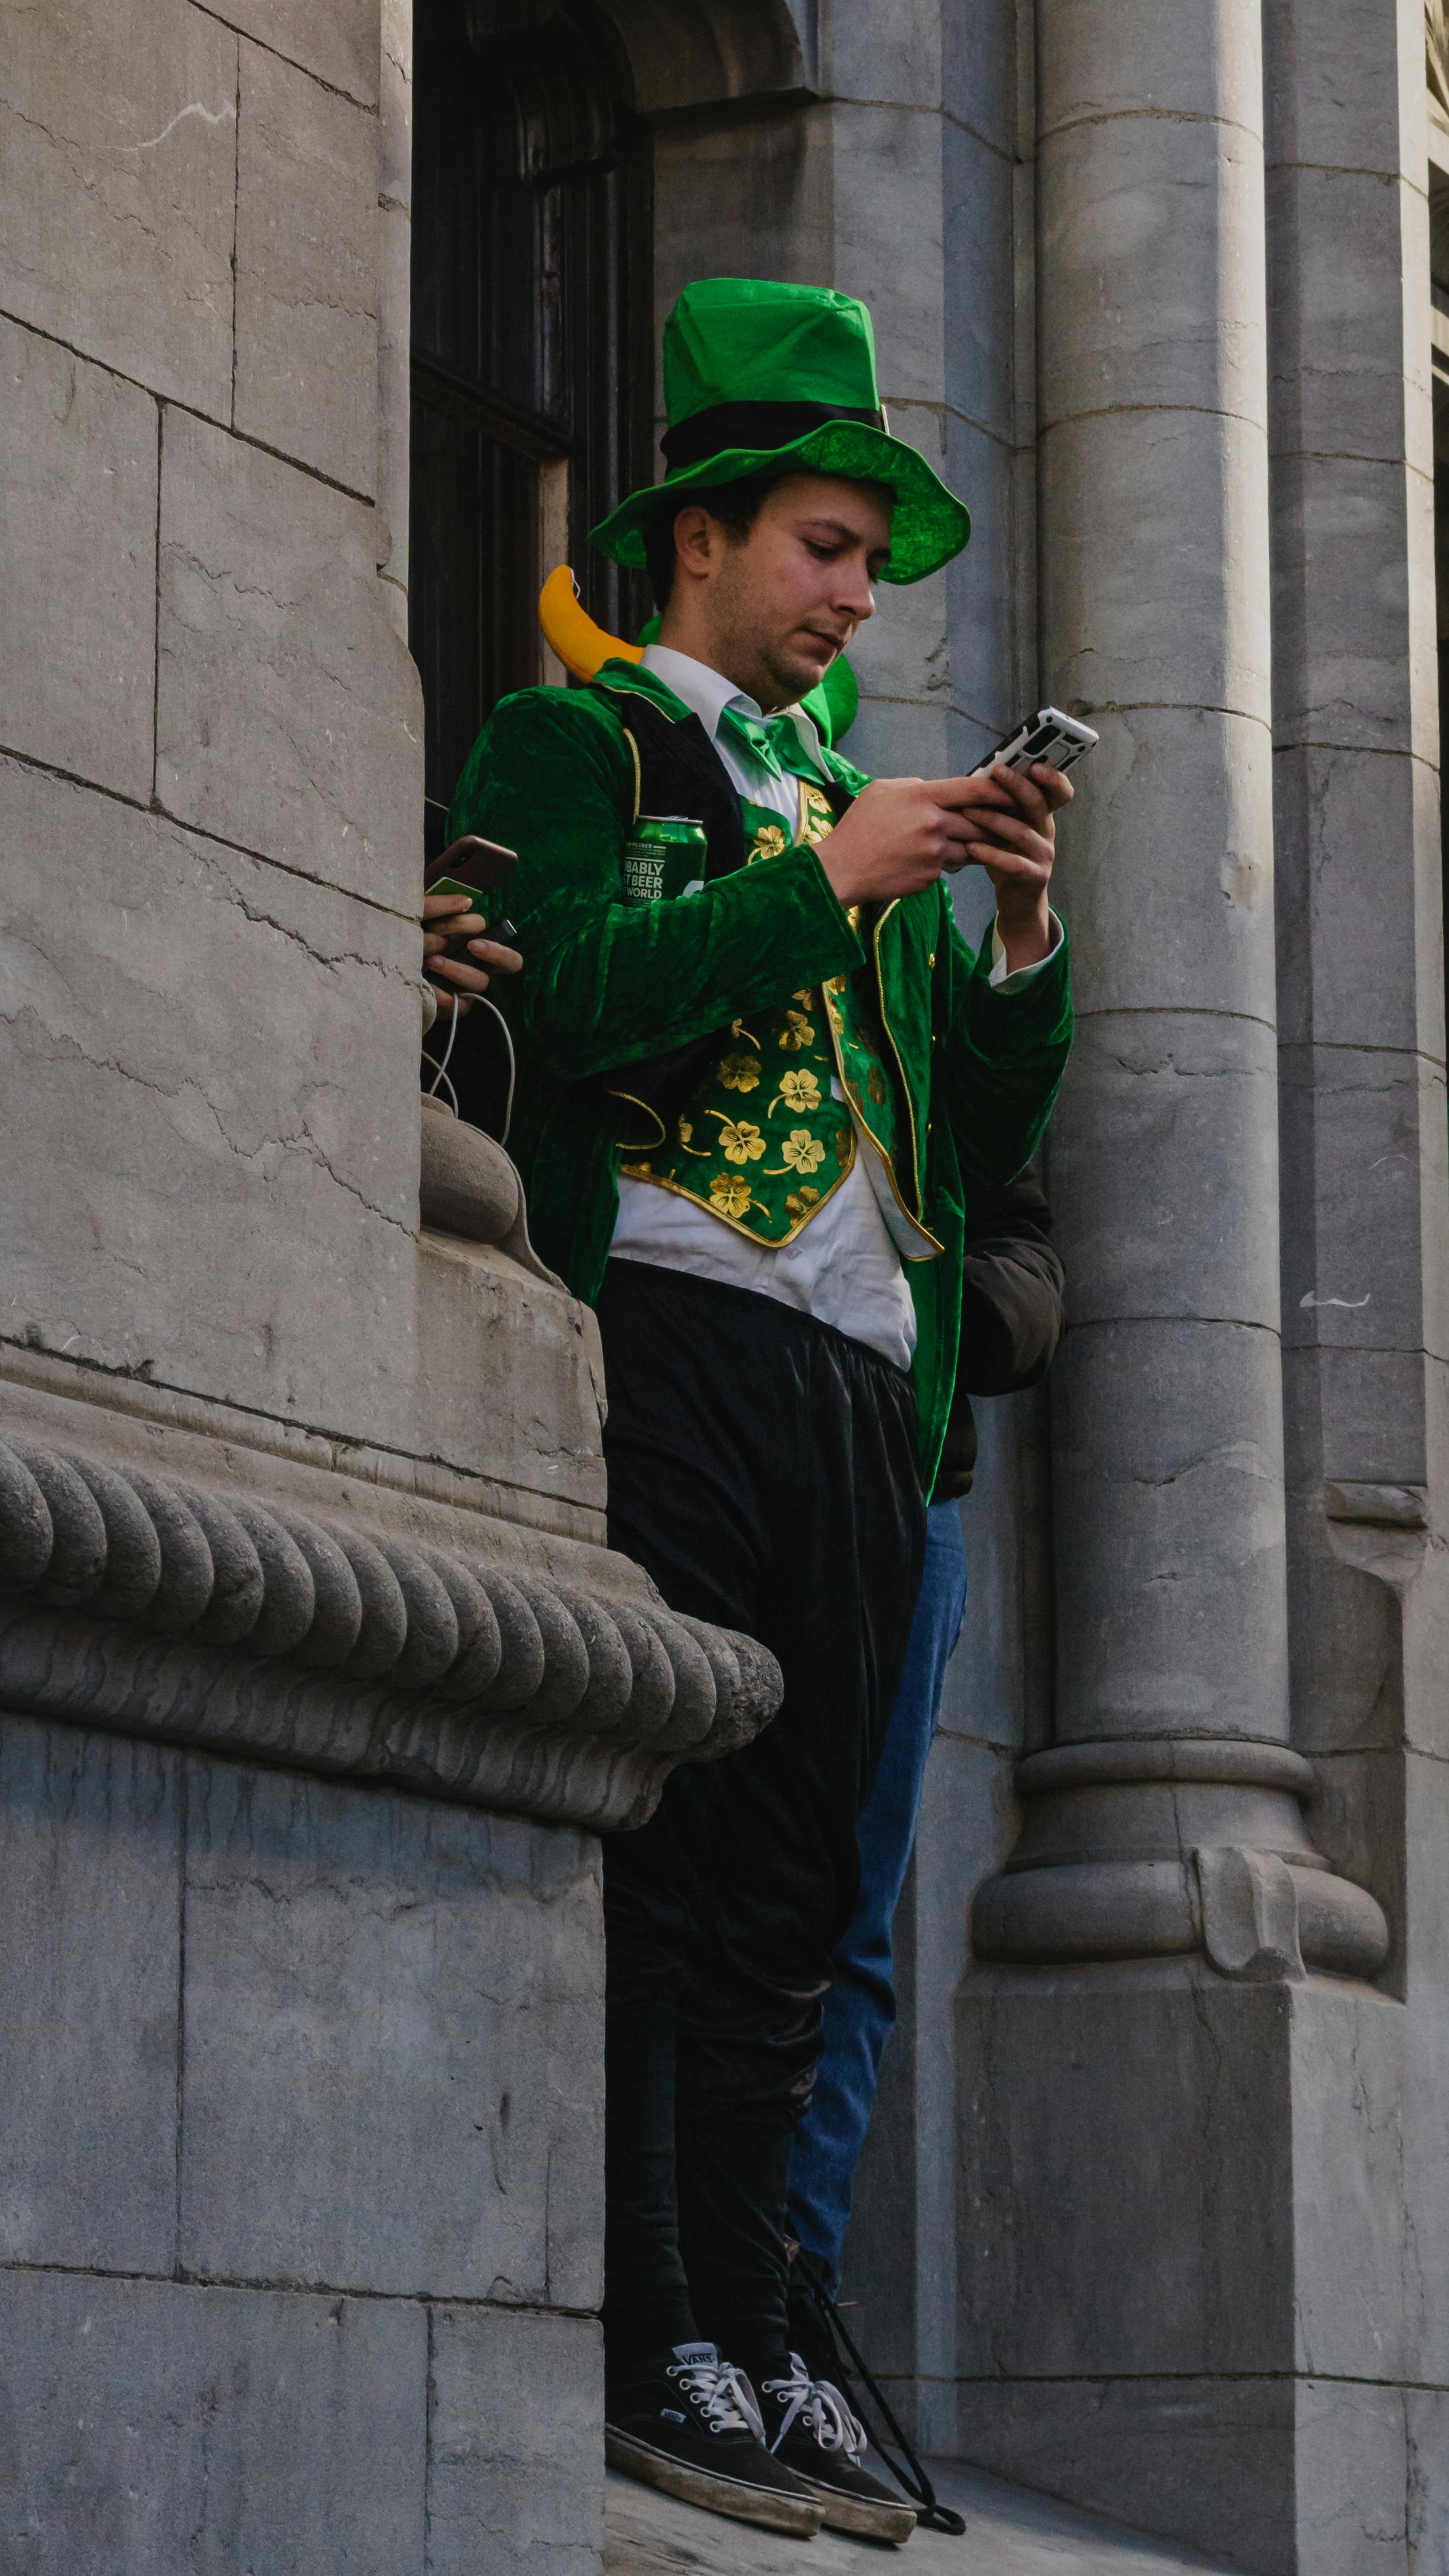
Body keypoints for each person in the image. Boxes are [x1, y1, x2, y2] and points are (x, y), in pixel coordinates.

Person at [442, 275, 1074, 2544]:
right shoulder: (581, 751)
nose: (855, 593)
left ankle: (760, 2321)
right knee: (682, 1863)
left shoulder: (869, 808)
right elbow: (581, 1006)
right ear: (703, 534)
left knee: (808, 1890)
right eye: (824, 543)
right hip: (680, 1331)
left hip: (860, 1382)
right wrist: (822, 881)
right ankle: (658, 2328)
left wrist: (1009, 939)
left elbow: (980, 1152)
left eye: (872, 560)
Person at [783, 1174, 1066, 2360]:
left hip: (905, 1462)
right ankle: (676, 2293)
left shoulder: (942, 998)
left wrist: (935, 1307)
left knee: (849, 1917)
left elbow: (1022, 1246)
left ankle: (790, 2294)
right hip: (715, 1400)